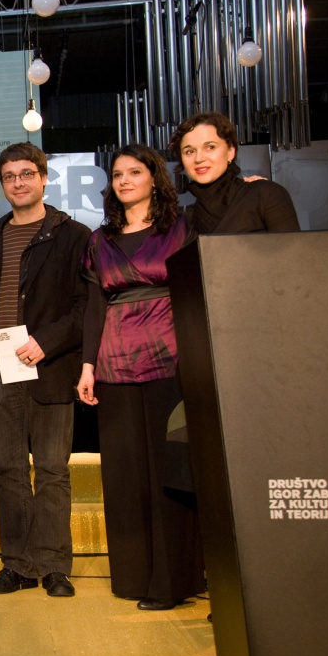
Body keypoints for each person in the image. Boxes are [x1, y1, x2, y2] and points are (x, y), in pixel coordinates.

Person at [77, 144, 205, 611]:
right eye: (117, 175)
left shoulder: (182, 227)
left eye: (134, 172)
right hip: (114, 363)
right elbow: (94, 307)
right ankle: (133, 577)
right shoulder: (100, 240)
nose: (125, 181)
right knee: (125, 474)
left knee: (168, 471)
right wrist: (87, 366)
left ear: (154, 177)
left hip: (171, 358)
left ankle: (172, 582)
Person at [0, 142, 90, 599]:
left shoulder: (74, 235)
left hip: (52, 364)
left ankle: (53, 566)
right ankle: (18, 565)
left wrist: (47, 341)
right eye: (9, 176)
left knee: (51, 470)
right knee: (7, 470)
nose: (18, 182)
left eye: (26, 173)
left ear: (44, 178)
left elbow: (86, 305)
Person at [171, 111, 300, 235]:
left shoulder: (264, 194)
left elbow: (294, 249)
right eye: (189, 151)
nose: (199, 158)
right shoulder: (184, 221)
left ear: (230, 152)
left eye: (210, 147)